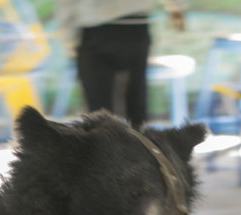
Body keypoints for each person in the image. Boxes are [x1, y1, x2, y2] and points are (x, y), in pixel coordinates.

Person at [56, 0, 186, 128]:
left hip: (95, 27)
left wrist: (69, 36)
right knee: (136, 107)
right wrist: (176, 7)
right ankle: (139, 146)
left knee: (99, 115)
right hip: (135, 26)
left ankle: (105, 146)